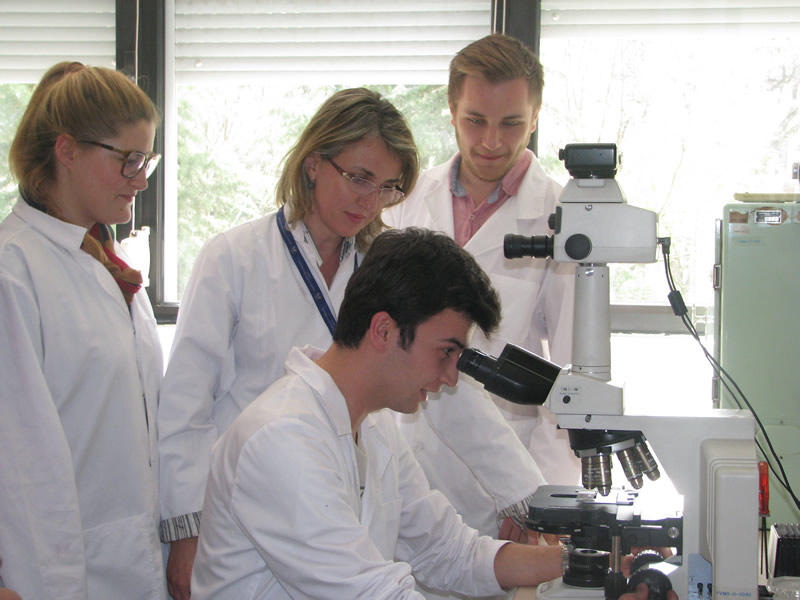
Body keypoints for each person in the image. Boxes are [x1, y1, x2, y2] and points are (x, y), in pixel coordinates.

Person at [190, 227, 564, 599]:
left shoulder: (375, 425)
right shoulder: (280, 438)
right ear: (384, 330)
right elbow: (371, 593)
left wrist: (577, 563)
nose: (452, 378)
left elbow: (449, 552)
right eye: (446, 352)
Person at [156, 87, 418, 599]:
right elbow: (186, 407)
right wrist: (186, 533)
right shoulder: (234, 257)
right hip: (242, 518)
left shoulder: (381, 273)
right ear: (314, 163)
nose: (370, 201)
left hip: (336, 515)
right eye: (359, 178)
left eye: (387, 187)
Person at [384, 33, 582, 591]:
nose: (492, 142)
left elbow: (573, 379)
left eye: (511, 123)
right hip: (409, 465)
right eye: (475, 121)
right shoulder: (404, 204)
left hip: (507, 484)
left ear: (535, 117)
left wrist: (536, 498)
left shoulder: (562, 218)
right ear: (451, 110)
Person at [0, 62, 166, 598]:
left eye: (146, 160)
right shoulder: (13, 271)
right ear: (67, 150)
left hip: (134, 559)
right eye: (128, 160)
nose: (142, 180)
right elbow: (22, 461)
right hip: (59, 571)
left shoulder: (107, 263)